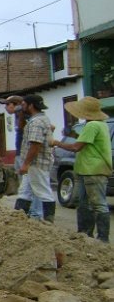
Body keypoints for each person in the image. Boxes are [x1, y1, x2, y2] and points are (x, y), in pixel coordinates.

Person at [51, 97, 111, 242]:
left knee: (98, 204)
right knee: (84, 203)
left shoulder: (92, 126)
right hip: (89, 169)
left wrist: (56, 142)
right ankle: (85, 235)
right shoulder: (101, 125)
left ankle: (102, 238)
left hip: (93, 170)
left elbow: (76, 147)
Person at [0, 95, 43, 218]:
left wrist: (26, 161)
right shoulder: (18, 116)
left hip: (25, 155)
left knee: (32, 185)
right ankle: (30, 212)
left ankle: (36, 213)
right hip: (20, 153)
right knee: (25, 185)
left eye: (7, 104)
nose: (6, 108)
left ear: (17, 105)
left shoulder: (27, 117)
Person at [15, 94, 56, 222]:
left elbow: (35, 144)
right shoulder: (40, 119)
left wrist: (26, 164)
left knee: (43, 191)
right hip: (35, 163)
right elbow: (21, 127)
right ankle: (18, 219)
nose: (21, 108)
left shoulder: (37, 122)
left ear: (31, 106)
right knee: (24, 191)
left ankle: (48, 221)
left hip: (36, 163)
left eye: (23, 105)